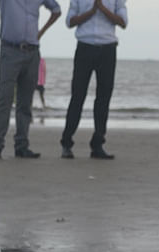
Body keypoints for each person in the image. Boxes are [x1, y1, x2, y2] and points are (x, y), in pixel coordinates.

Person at [0, 0, 60, 159]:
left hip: (32, 52)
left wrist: (41, 32)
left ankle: (21, 146)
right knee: (4, 99)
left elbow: (56, 10)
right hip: (10, 49)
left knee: (25, 102)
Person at [60, 0, 127, 160]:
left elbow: (123, 22)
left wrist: (102, 8)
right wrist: (91, 11)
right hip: (85, 46)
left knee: (103, 98)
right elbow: (70, 21)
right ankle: (66, 143)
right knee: (77, 96)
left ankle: (98, 144)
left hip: (108, 48)